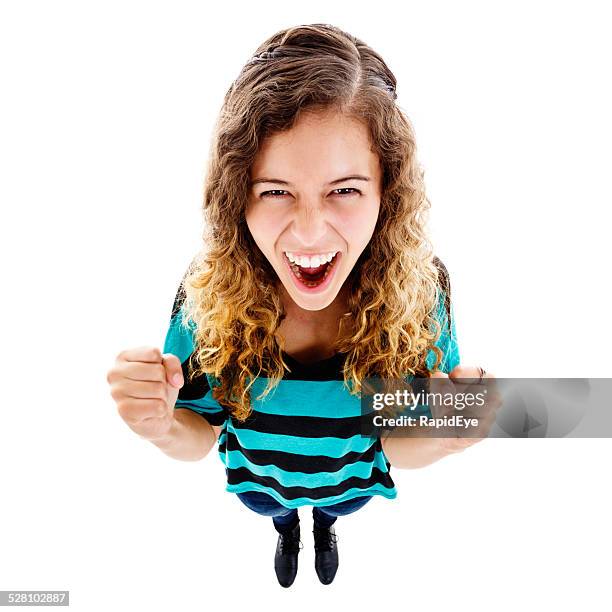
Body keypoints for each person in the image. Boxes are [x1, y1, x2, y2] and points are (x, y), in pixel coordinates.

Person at [106, 23, 497, 588]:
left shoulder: (421, 293)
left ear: (387, 193)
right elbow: (199, 426)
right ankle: (288, 527)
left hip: (351, 485)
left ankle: (326, 525)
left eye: (344, 190)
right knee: (276, 511)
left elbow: (398, 439)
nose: (310, 232)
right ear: (236, 194)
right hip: (260, 485)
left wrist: (442, 436)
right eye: (275, 190)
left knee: (338, 507)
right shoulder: (205, 291)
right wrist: (159, 423)